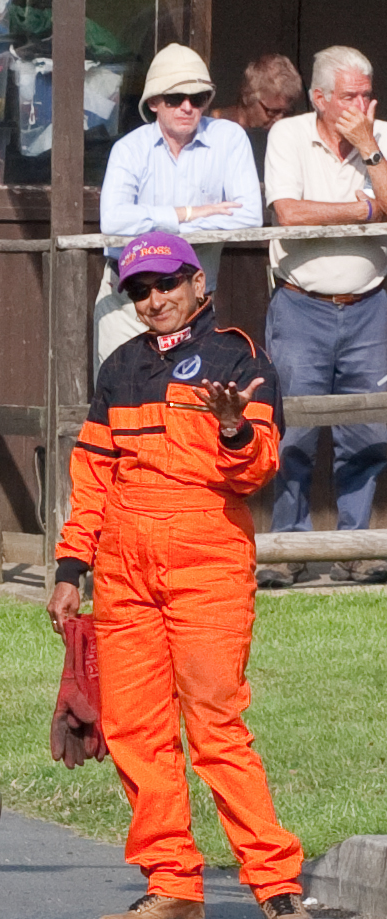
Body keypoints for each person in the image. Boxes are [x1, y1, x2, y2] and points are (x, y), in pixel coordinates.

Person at [47, 231, 316, 919]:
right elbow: (92, 481)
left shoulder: (239, 358)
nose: (155, 299)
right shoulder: (119, 368)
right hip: (124, 571)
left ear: (200, 284)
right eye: (140, 290)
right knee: (135, 731)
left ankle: (278, 888)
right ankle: (171, 886)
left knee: (217, 730)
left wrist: (231, 430)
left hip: (207, 562)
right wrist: (71, 569)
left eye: (167, 284)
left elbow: (255, 471)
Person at [259, 45, 387, 589]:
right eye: (350, 96)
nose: (363, 105)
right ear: (319, 97)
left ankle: (358, 548)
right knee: (292, 432)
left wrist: (370, 150)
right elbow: (289, 212)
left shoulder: (380, 137)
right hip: (301, 304)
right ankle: (288, 549)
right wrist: (365, 210)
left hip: (369, 304)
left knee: (367, 429)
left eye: (367, 94)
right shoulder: (287, 135)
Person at [95, 43, 262, 370]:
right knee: (121, 405)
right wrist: (185, 214)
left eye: (197, 98)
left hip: (195, 305)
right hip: (128, 301)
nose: (187, 107)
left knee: (192, 409)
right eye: (175, 98)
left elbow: (249, 217)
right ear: (154, 102)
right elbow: (113, 221)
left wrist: (165, 229)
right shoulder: (129, 148)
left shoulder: (230, 139)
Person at [212, 55, 304, 180]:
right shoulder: (210, 129)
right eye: (273, 111)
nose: (280, 119)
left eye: (286, 112)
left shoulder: (285, 137)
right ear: (248, 97)